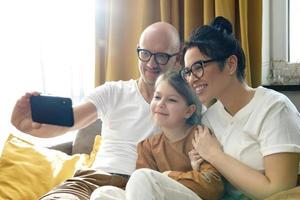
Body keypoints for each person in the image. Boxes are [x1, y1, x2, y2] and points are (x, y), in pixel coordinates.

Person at [10, 22, 181, 200]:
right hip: (92, 180)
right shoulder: (114, 92)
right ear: (138, 51)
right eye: (145, 54)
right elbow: (69, 122)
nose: (151, 63)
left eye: (161, 56)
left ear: (177, 59)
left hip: (142, 189)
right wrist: (25, 126)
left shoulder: (188, 108)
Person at [181, 16, 300, 199]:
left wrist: (214, 155)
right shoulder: (209, 119)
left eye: (198, 67)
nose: (191, 78)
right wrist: (200, 167)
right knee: (144, 180)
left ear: (230, 64)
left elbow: (279, 191)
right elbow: (212, 184)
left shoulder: (275, 109)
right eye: (187, 72)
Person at [90, 70, 224, 200]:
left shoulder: (200, 137)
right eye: (157, 97)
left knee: (142, 177)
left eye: (171, 100)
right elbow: (141, 189)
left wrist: (169, 175)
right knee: (103, 193)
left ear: (189, 111)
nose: (160, 104)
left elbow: (213, 188)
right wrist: (190, 175)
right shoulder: (148, 146)